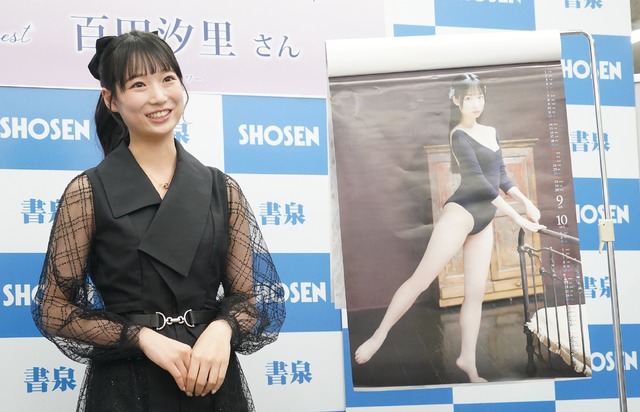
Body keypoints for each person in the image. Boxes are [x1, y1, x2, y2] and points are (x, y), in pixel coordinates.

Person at [31, 30, 285, 411]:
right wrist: (141, 337)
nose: (159, 96)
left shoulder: (221, 189)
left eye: (168, 79)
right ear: (111, 100)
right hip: (126, 387)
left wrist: (222, 328)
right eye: (138, 84)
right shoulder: (88, 192)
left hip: (210, 380)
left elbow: (252, 301)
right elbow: (53, 309)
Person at [353, 73, 544, 383]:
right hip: (462, 213)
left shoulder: (491, 132)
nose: (476, 103)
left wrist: (527, 202)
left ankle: (468, 360)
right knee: (420, 280)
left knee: (475, 294)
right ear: (456, 101)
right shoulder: (459, 136)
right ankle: (379, 336)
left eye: (479, 97)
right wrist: (517, 216)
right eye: (469, 98)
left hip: (484, 219)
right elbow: (480, 184)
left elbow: (501, 176)